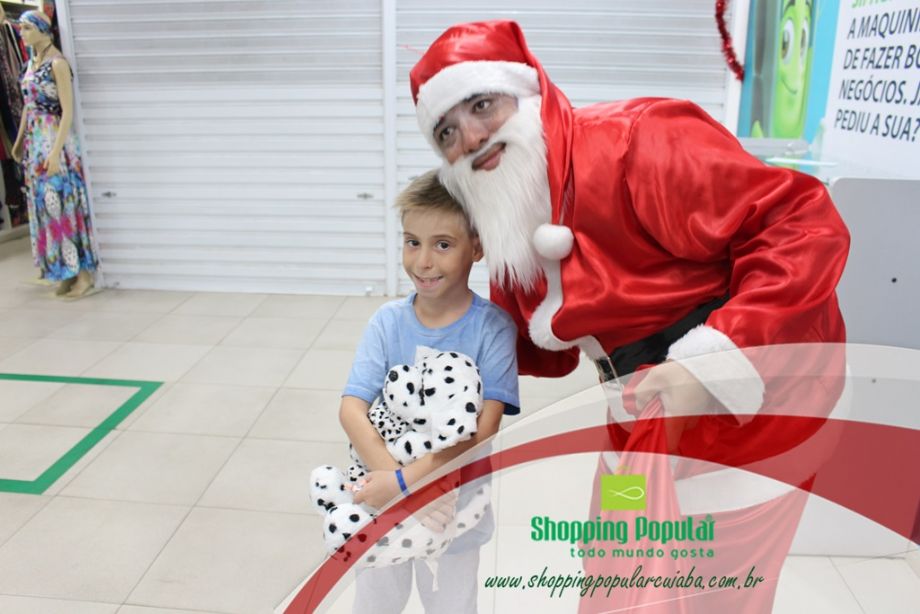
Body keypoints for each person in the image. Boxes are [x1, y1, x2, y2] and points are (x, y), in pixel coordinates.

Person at [409, 20, 849, 613]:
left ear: (528, 93)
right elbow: (541, 350)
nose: (472, 137)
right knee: (618, 564)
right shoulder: (509, 208)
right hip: (637, 412)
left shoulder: (639, 139)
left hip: (760, 406)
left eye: (482, 105)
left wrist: (707, 364)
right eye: (447, 131)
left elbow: (801, 224)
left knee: (715, 586)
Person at [341, 170, 520, 613]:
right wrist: (397, 489)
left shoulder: (493, 329)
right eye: (412, 242)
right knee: (375, 604)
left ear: (476, 247)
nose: (423, 261)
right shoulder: (387, 322)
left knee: (452, 605)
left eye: (442, 244)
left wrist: (408, 485)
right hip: (384, 502)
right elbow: (351, 410)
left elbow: (483, 430)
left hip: (455, 513)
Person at [12, 10, 97, 298]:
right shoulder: (29, 65)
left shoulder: (57, 63)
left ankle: (83, 274)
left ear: (41, 29)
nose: (22, 33)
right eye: (20, 28)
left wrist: (56, 151)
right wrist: (18, 141)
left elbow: (67, 110)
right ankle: (64, 271)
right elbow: (27, 106)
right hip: (35, 145)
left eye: (26, 28)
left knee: (64, 205)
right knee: (45, 210)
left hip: (53, 139)